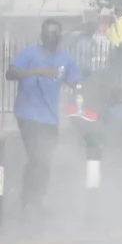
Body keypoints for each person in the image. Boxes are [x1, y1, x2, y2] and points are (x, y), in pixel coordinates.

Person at [4, 19, 83, 215]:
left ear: (60, 36)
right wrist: (40, 71)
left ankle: (36, 198)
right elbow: (10, 73)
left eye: (54, 32)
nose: (50, 36)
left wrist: (83, 91)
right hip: (27, 113)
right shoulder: (30, 53)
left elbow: (77, 82)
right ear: (41, 35)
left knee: (45, 160)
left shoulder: (66, 60)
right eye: (46, 32)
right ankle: (29, 202)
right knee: (37, 156)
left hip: (50, 118)